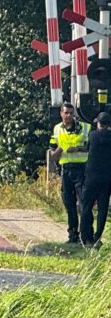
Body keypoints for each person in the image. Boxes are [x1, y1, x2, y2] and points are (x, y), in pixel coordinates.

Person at [50, 102, 90, 244]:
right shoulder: (56, 130)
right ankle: (72, 235)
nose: (68, 116)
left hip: (81, 169)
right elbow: (53, 155)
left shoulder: (84, 128)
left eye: (71, 113)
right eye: (66, 113)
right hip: (66, 170)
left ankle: (86, 235)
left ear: (74, 114)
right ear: (61, 113)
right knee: (69, 204)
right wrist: (60, 149)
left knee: (84, 203)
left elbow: (90, 147)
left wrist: (78, 148)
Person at [79, 111, 111, 247]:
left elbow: (88, 148)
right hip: (107, 178)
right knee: (102, 208)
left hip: (91, 177)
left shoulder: (92, 136)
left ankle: (85, 237)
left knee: (86, 206)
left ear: (98, 123)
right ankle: (97, 236)